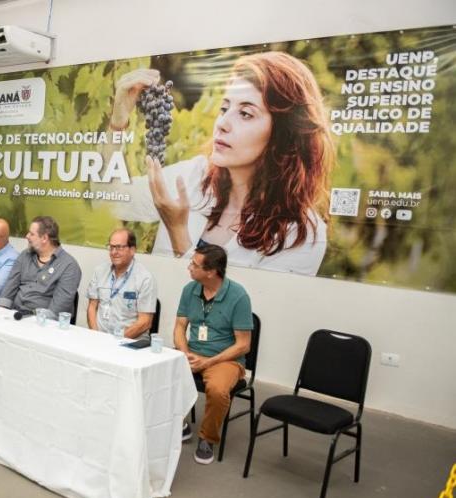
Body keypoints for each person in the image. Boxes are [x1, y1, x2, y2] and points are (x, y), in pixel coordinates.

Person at [103, 52, 333, 275]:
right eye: (224, 108)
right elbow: (108, 199)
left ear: (283, 133)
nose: (222, 123)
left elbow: (235, 301)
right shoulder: (195, 176)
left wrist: (177, 231)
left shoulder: (301, 236)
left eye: (245, 113)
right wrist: (117, 124)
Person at [175, 244, 253, 465]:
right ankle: (180, 425)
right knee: (160, 371)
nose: (189, 267)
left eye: (194, 265)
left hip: (225, 359)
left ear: (211, 272)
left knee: (218, 390)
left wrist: (207, 362)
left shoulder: (238, 296)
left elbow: (243, 345)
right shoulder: (190, 290)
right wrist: (184, 353)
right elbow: (180, 327)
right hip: (192, 353)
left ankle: (207, 438)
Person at [0, 216, 82, 319]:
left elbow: (57, 310)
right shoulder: (25, 255)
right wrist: (0, 314)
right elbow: (9, 289)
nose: (27, 236)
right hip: (14, 315)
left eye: (31, 234)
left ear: (44, 238)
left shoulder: (69, 266)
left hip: (42, 321)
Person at [86, 228, 157, 338]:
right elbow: (92, 307)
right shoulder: (99, 271)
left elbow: (145, 322)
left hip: (129, 342)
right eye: (111, 247)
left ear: (132, 250)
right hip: (99, 338)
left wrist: (116, 341)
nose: (113, 252)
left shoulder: (145, 279)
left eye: (119, 247)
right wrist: (96, 336)